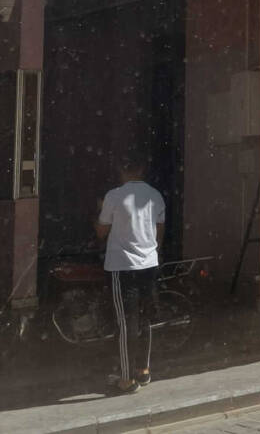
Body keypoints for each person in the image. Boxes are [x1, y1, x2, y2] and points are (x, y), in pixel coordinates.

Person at [95, 155, 165, 394]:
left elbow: (101, 231)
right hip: (149, 265)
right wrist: (150, 250)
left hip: (122, 266)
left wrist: (97, 211)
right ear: (142, 169)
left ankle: (126, 378)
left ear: (120, 170)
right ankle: (143, 371)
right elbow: (159, 230)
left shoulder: (114, 196)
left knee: (126, 322)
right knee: (145, 318)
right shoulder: (155, 195)